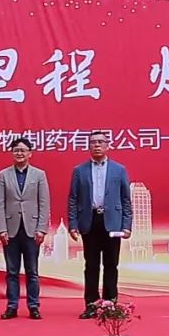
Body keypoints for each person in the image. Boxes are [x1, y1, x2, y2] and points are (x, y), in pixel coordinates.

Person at [67, 130, 132, 318]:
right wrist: (73, 224)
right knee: (91, 265)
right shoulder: (79, 170)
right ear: (88, 146)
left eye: (100, 142)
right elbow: (73, 199)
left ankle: (110, 305)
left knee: (111, 265)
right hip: (90, 221)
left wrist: (127, 225)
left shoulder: (119, 170)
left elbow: (126, 199)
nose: (96, 145)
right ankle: (92, 305)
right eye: (93, 142)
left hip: (112, 222)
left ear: (107, 145)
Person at [0, 137, 50, 320]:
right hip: (10, 229)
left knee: (32, 272)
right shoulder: (3, 175)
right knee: (12, 272)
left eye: (23, 150)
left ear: (30, 153)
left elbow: (44, 203)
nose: (19, 153)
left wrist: (42, 229)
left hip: (32, 229)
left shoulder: (39, 175)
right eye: (16, 150)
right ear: (12, 153)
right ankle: (12, 306)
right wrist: (1, 229)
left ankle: (33, 306)